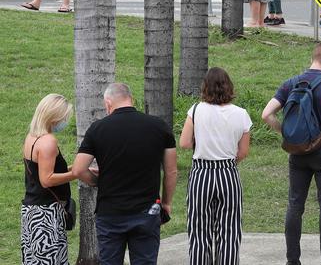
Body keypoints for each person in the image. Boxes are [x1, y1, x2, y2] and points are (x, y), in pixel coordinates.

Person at [261, 43, 321, 265]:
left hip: (297, 152)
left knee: (295, 204)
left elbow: (266, 114)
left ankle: (293, 260)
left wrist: (287, 132)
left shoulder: (291, 83)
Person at [72, 83, 177, 265]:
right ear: (131, 100)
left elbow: (78, 169)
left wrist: (96, 181)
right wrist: (166, 202)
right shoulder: (159, 126)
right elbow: (171, 170)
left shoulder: (98, 129)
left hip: (110, 213)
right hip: (147, 210)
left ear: (108, 103)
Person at [179, 67, 252, 265]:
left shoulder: (195, 110)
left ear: (205, 88)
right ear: (229, 87)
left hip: (201, 173)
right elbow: (243, 151)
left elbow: (184, 143)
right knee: (229, 231)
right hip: (228, 173)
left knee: (199, 230)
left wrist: (202, 143)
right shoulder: (241, 114)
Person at [21, 94, 76, 264]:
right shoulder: (48, 142)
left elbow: (41, 173)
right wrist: (76, 174)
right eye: (64, 117)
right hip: (46, 214)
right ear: (54, 117)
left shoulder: (32, 137)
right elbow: (47, 179)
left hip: (31, 211)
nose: (64, 122)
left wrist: (74, 168)